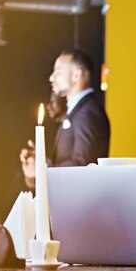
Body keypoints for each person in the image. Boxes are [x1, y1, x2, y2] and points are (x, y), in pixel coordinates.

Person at [20, 49, 110, 188]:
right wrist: (36, 164)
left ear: (77, 75)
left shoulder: (89, 113)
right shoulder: (76, 112)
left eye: (59, 72)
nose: (51, 78)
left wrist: (43, 166)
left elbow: (84, 167)